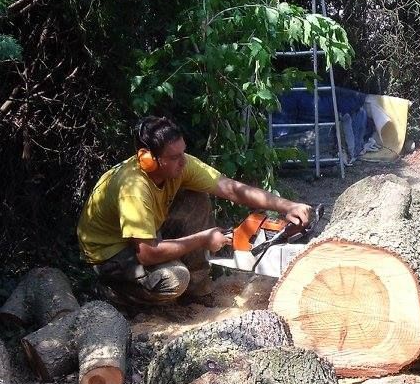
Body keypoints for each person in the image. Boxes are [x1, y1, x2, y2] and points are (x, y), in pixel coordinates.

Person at [77, 116, 314, 305]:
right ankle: (115, 293)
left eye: (183, 153)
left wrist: (287, 205)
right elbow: (146, 254)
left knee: (196, 198)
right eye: (174, 157)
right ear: (148, 159)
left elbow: (231, 188)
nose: (183, 161)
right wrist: (203, 239)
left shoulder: (180, 165)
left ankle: (198, 290)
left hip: (144, 235)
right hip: (111, 253)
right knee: (175, 279)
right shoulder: (133, 188)